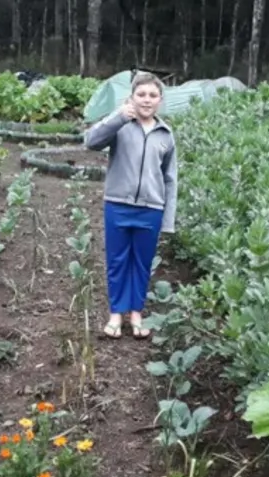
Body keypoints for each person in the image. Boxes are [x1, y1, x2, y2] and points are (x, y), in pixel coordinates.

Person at [82, 72, 178, 340]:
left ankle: (136, 312)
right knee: (117, 261)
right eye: (141, 94)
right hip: (118, 205)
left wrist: (167, 219)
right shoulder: (120, 125)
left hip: (151, 210)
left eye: (153, 95)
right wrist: (118, 116)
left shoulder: (166, 135)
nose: (147, 100)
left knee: (142, 263)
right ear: (132, 97)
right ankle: (116, 313)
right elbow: (90, 142)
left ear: (160, 100)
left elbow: (170, 179)